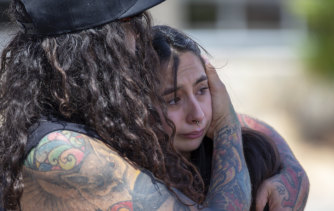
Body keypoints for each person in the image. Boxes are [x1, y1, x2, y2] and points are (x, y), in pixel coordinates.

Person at [0, 0, 252, 210]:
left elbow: (253, 126)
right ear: (92, 46)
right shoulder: (61, 151)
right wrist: (225, 127)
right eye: (130, 23)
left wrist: (281, 165)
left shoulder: (95, 118)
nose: (140, 35)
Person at [152, 25, 310, 211]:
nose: (197, 115)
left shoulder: (253, 157)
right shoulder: (127, 179)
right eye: (173, 100)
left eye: (202, 89)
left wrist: (292, 169)